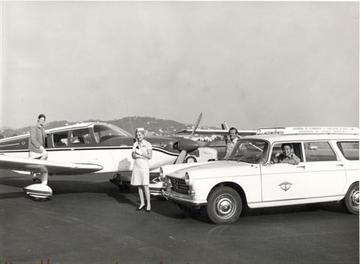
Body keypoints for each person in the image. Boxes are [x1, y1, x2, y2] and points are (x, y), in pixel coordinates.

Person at [131, 128, 152, 212]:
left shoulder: (148, 144)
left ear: (143, 135)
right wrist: (135, 155)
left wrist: (142, 153)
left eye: (140, 135)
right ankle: (142, 203)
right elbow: (132, 154)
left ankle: (149, 204)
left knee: (145, 185)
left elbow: (150, 156)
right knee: (139, 185)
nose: (138, 136)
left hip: (144, 166)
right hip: (137, 165)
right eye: (137, 135)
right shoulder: (135, 143)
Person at [28, 114, 48, 184]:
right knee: (45, 155)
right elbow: (33, 139)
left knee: (42, 164)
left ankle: (35, 176)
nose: (42, 121)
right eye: (41, 119)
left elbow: (42, 140)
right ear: (38, 120)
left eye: (43, 120)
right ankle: (35, 173)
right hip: (34, 150)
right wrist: (40, 147)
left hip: (39, 150)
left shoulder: (43, 129)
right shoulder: (33, 128)